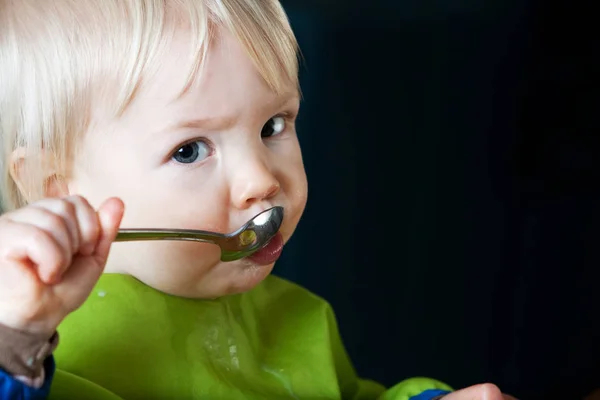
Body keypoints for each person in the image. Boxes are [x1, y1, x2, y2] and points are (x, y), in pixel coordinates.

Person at [0, 1, 516, 399]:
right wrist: (15, 344)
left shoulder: (296, 314)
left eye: (273, 125)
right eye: (189, 150)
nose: (261, 180)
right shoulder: (52, 355)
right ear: (58, 188)